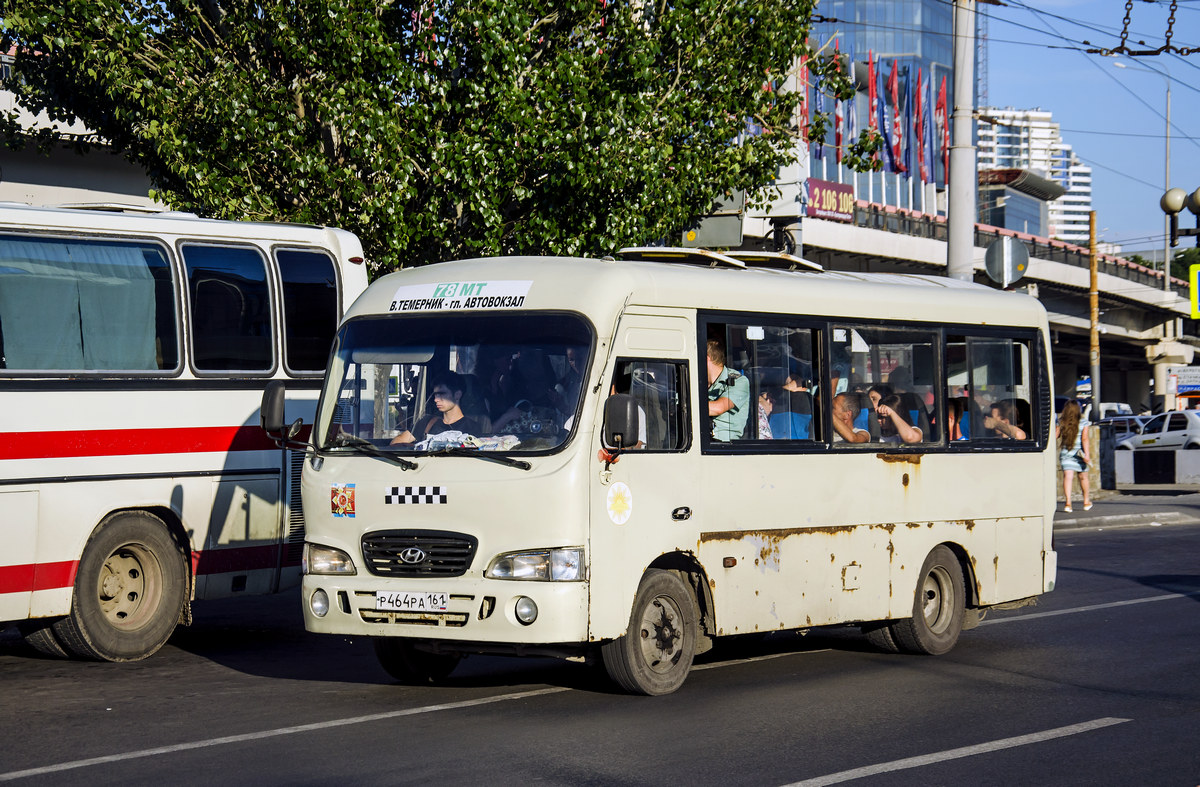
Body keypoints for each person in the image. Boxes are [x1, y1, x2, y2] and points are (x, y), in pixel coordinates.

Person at [390, 372, 483, 444]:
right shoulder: (426, 422)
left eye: (442, 394)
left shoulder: (472, 428)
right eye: (435, 395)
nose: (436, 399)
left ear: (457, 395)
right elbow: (396, 443)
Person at [707, 339, 750, 441]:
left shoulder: (739, 381)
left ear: (706, 359)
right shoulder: (696, 381)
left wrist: (686, 406)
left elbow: (718, 408)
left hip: (723, 446)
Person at [1057, 399, 1092, 512]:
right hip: (1079, 453)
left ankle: (1068, 504)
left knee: (1068, 477)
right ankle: (1086, 501)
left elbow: (1056, 436)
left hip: (1066, 453)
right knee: (1083, 477)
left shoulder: (1062, 421)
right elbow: (1085, 439)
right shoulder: (1083, 422)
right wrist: (1087, 455)